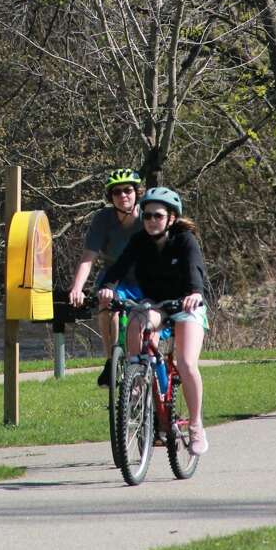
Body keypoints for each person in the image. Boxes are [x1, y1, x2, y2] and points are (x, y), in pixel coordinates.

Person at [97, 186, 210, 456]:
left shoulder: (184, 240)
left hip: (186, 303)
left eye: (157, 216)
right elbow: (119, 267)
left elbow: (195, 269)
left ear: (171, 218)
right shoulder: (139, 241)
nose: (151, 221)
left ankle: (196, 426)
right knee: (137, 319)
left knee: (185, 362)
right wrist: (108, 287)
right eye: (146, 216)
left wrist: (195, 293)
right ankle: (136, 379)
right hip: (157, 304)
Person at [68, 168, 145, 387]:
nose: (123, 196)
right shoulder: (103, 219)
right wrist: (77, 288)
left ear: (137, 193)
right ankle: (111, 361)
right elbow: (88, 257)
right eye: (117, 192)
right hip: (114, 277)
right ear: (111, 197)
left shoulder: (148, 216)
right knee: (106, 302)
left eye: (128, 190)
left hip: (144, 277)